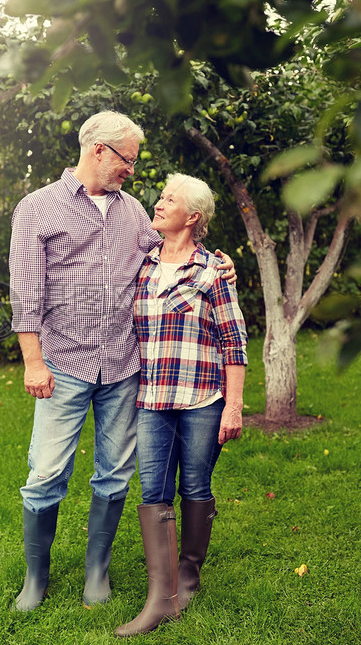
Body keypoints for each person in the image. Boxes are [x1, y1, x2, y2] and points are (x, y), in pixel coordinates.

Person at [8, 112, 236, 612]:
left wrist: (218, 263)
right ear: (100, 152)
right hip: (62, 363)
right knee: (45, 474)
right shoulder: (37, 208)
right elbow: (25, 292)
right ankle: (35, 578)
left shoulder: (134, 212)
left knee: (113, 475)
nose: (132, 170)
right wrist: (33, 362)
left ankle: (97, 572)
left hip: (124, 367)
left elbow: (173, 254)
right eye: (127, 159)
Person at [114, 174, 248, 637]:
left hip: (202, 398)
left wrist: (234, 406)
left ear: (193, 216)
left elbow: (235, 342)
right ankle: (162, 595)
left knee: (195, 483)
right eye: (161, 196)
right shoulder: (143, 264)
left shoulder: (213, 270)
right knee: (153, 490)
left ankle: (187, 576)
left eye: (169, 199)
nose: (158, 202)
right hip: (152, 399)